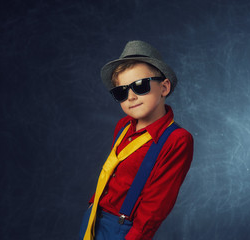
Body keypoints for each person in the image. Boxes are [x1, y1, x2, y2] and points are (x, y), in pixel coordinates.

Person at [79, 40, 194, 240]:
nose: (131, 97)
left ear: (164, 88)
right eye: (121, 92)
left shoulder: (177, 139)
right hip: (93, 217)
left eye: (140, 86)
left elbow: (156, 205)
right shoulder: (123, 126)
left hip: (123, 229)